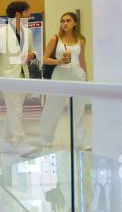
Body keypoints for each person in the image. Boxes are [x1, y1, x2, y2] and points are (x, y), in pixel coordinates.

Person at [39, 11, 90, 150]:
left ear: (74, 23)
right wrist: (58, 61)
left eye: (68, 20)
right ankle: (46, 138)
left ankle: (81, 141)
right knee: (53, 108)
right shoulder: (55, 39)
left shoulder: (81, 40)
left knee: (78, 110)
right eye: (62, 21)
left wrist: (86, 77)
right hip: (59, 74)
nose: (65, 23)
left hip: (77, 75)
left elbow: (82, 60)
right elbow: (45, 58)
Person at [0, 0, 36, 146]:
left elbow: (32, 50)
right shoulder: (0, 35)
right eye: (27, 12)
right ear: (18, 14)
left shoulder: (28, 33)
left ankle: (6, 140)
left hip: (23, 75)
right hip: (7, 77)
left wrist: (32, 55)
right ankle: (20, 142)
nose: (30, 14)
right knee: (15, 109)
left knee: (14, 109)